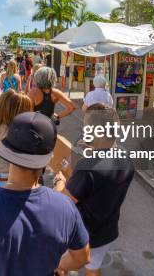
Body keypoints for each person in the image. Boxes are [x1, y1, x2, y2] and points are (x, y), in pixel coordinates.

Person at [0, 112, 90, 276]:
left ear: (5, 151)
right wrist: (60, 266)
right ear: (48, 159)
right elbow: (82, 258)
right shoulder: (65, 207)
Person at [54, 104, 134, 275]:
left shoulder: (87, 167)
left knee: (58, 266)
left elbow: (63, 202)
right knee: (93, 269)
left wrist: (59, 181)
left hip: (81, 234)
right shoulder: (126, 157)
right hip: (107, 231)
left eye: (86, 127)